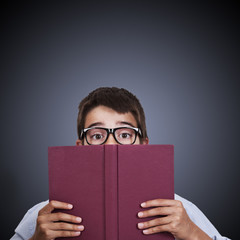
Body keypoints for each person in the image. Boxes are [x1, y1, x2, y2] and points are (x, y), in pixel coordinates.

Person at [11, 87, 230, 240]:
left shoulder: (179, 211)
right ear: (80, 146)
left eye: (125, 134)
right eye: (97, 135)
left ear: (144, 144)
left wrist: (192, 233)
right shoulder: (44, 215)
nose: (111, 142)